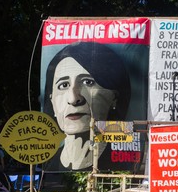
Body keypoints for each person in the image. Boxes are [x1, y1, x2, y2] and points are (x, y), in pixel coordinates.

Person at [43, 42, 131, 171]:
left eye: (88, 82)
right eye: (63, 85)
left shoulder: (125, 162)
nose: (73, 99)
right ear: (52, 101)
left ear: (114, 97)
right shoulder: (48, 165)